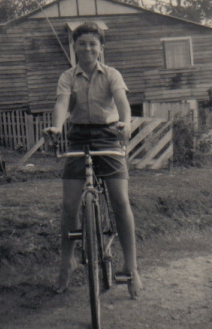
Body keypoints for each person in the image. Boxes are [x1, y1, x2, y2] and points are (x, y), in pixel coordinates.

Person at [43, 21, 143, 299]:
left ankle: (132, 269)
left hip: (109, 137)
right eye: (82, 43)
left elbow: (122, 103)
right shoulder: (67, 77)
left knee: (121, 201)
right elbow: (62, 104)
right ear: (74, 47)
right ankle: (67, 263)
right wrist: (57, 126)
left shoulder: (111, 74)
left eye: (93, 44)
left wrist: (125, 123)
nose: (87, 48)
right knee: (69, 204)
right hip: (78, 138)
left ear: (100, 48)